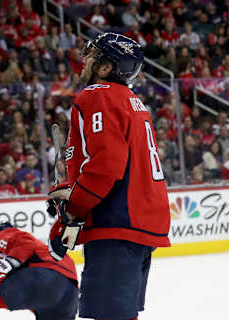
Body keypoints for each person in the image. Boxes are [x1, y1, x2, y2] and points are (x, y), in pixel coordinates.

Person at [47, 33, 171, 320]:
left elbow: (106, 165)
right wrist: (72, 189)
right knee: (121, 314)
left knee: (111, 315)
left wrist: (74, 208)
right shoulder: (132, 100)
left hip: (116, 222)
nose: (85, 62)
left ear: (105, 68)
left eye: (92, 57)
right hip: (139, 223)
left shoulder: (97, 94)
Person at [0, 222, 78, 320]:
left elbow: (25, 244)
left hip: (44, 276)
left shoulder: (2, 234)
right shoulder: (44, 249)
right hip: (70, 294)